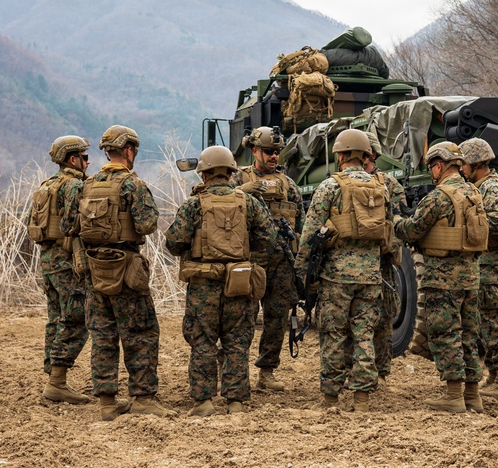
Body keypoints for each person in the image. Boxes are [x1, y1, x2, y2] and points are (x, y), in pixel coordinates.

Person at [62, 125, 173, 420]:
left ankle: (107, 403)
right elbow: (147, 224)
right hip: (126, 270)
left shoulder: (84, 185)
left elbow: (67, 226)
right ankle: (143, 398)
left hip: (94, 270)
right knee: (141, 333)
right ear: (129, 151)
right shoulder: (133, 185)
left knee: (103, 335)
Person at [165, 146, 278, 416]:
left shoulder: (194, 204)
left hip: (203, 285)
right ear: (230, 173)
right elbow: (269, 238)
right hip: (239, 283)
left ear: (204, 175)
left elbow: (174, 243)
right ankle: (236, 401)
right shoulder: (249, 202)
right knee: (237, 342)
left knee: (202, 341)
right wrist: (244, 255)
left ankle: (203, 402)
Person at [294, 128, 392, 413]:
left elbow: (310, 235)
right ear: (364, 156)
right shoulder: (381, 188)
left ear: (343, 155)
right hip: (370, 276)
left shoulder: (330, 186)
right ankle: (362, 399)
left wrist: (301, 273)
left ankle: (331, 398)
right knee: (364, 334)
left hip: (336, 277)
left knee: (334, 334)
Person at [392, 142, 487, 414]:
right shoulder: (474, 193)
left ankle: (454, 396)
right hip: (471, 276)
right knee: (469, 334)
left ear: (439, 166)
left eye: (432, 167)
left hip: (443, 278)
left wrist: (396, 218)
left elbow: (411, 231)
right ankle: (473, 395)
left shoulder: (439, 197)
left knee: (445, 334)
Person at [231, 126, 303, 393]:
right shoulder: (238, 179)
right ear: (254, 151)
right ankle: (235, 372)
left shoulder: (289, 185)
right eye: (268, 151)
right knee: (242, 317)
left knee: (277, 318)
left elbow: (301, 220)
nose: (274, 156)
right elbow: (217, 200)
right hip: (250, 259)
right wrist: (242, 192)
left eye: (277, 152)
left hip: (281, 261)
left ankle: (267, 371)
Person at [26, 135, 92, 405]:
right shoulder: (74, 185)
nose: (88, 162)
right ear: (73, 159)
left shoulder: (47, 185)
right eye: (85, 157)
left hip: (48, 261)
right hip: (68, 262)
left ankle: (52, 376)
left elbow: (33, 224)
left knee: (56, 318)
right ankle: (57, 382)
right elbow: (75, 224)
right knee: (77, 318)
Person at [459, 137, 498, 401]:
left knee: (495, 318)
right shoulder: (483, 185)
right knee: (487, 319)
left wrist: (469, 224)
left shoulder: (492, 186)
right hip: (487, 263)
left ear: (476, 164)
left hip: (492, 263)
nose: (462, 170)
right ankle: (495, 375)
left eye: (464, 165)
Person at [362, 136, 408, 386]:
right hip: (356, 262)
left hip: (382, 262)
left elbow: (398, 224)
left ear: (373, 155)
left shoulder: (389, 184)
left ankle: (381, 370)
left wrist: (392, 250)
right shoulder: (343, 182)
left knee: (384, 316)